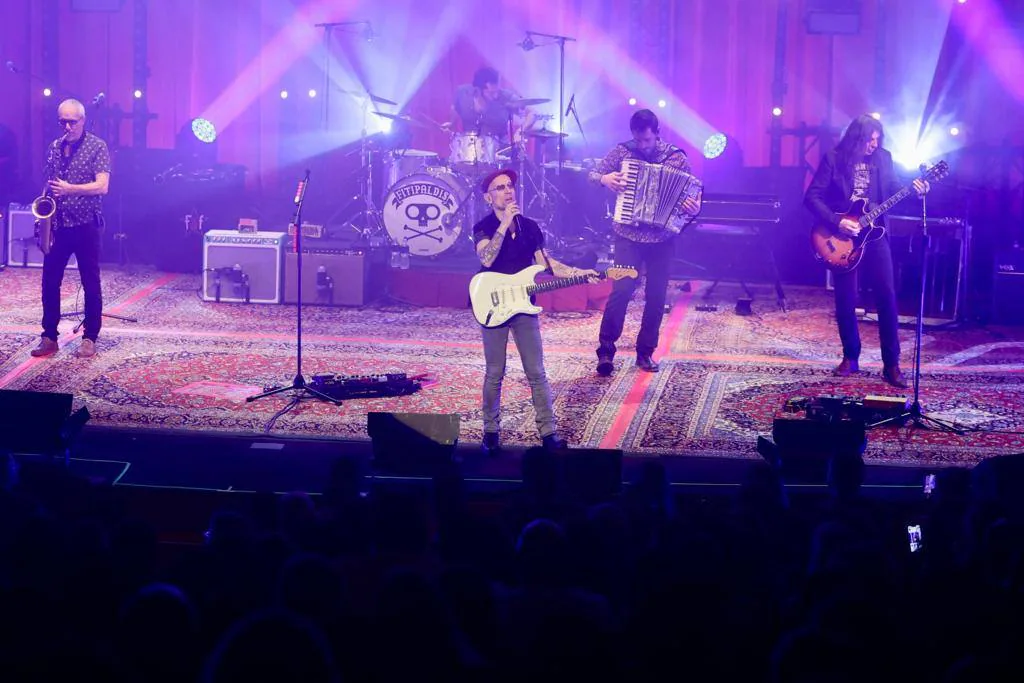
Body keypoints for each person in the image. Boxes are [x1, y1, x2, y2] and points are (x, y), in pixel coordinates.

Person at [473, 168, 598, 455]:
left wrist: (581, 273)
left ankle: (548, 433)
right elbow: (486, 258)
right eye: (500, 187)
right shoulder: (483, 226)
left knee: (537, 372)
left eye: (510, 186)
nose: (508, 191)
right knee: (495, 372)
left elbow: (548, 265)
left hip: (523, 304)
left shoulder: (530, 227)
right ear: (488, 196)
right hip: (492, 302)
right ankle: (490, 433)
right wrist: (503, 225)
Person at [804, 114, 929, 388]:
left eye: (877, 140)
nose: (874, 145)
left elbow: (894, 189)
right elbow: (811, 197)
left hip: (875, 236)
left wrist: (915, 190)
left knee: (887, 295)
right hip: (841, 237)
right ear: (856, 138)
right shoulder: (834, 158)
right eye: (869, 140)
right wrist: (838, 222)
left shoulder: (883, 158)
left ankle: (892, 364)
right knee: (846, 299)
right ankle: (851, 357)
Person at [588, 109, 702, 375]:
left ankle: (645, 353)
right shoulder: (622, 152)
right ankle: (606, 351)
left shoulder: (675, 159)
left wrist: (694, 207)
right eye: (638, 140)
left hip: (662, 238)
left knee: (656, 295)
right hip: (628, 233)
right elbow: (592, 175)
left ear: (657, 134)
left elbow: (692, 201)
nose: (642, 145)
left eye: (647, 141)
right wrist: (605, 179)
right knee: (622, 291)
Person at [30, 98, 111, 359]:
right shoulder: (55, 147)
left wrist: (70, 189)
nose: (66, 126)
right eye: (62, 121)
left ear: (83, 120)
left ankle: (90, 338)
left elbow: (102, 186)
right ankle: (49, 336)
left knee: (91, 282)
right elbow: (50, 181)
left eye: (72, 121)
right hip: (59, 225)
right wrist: (44, 205)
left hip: (86, 225)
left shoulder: (97, 146)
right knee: (49, 282)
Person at [447, 66, 536, 146]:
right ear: (478, 90)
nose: (496, 96)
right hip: (468, 149)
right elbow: (455, 108)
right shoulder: (462, 92)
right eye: (492, 93)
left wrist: (520, 132)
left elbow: (532, 113)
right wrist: (451, 123)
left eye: (497, 90)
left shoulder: (505, 96)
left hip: (498, 150)